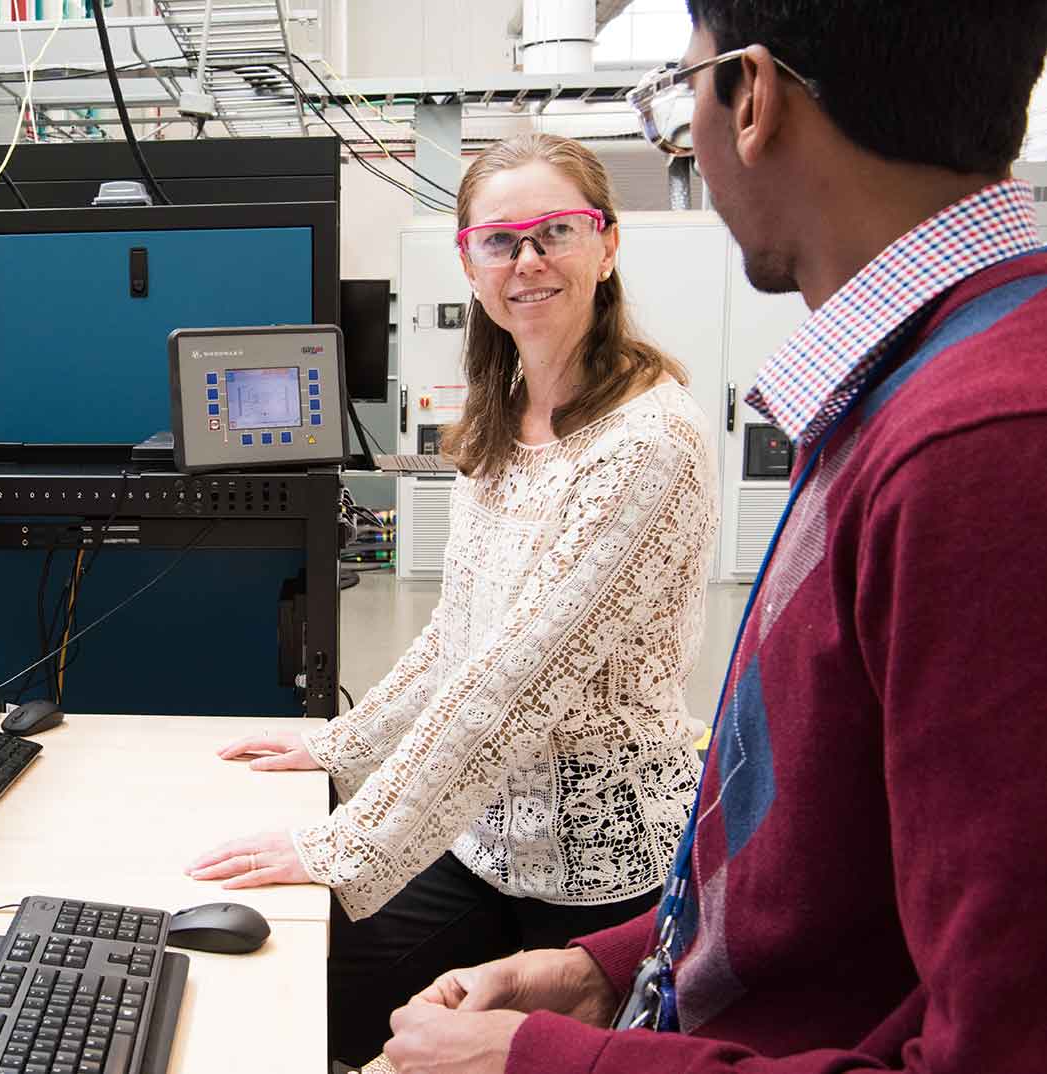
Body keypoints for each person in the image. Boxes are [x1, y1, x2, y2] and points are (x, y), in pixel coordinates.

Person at [380, 4, 1047, 1074]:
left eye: (678, 92)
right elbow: (846, 888)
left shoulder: (982, 448)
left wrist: (554, 1060)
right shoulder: (915, 393)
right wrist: (614, 966)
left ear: (754, 99)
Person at [184, 132, 720, 1065]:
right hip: (482, 843)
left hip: (606, 877)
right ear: (469, 261)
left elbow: (514, 683)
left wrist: (347, 842)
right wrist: (337, 746)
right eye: (500, 240)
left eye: (556, 230)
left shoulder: (647, 441)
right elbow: (457, 636)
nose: (528, 261)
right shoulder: (506, 412)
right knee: (295, 989)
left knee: (350, 1003)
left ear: (607, 244)